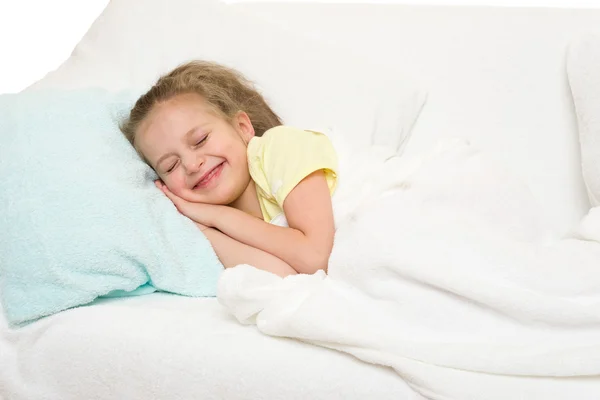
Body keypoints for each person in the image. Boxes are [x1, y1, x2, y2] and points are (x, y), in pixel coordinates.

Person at [120, 61, 338, 277]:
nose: (192, 165)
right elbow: (282, 278)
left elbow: (316, 259)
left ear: (242, 127)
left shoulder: (282, 147)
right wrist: (203, 228)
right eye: (171, 166)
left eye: (200, 140)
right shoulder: (212, 225)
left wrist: (217, 216)